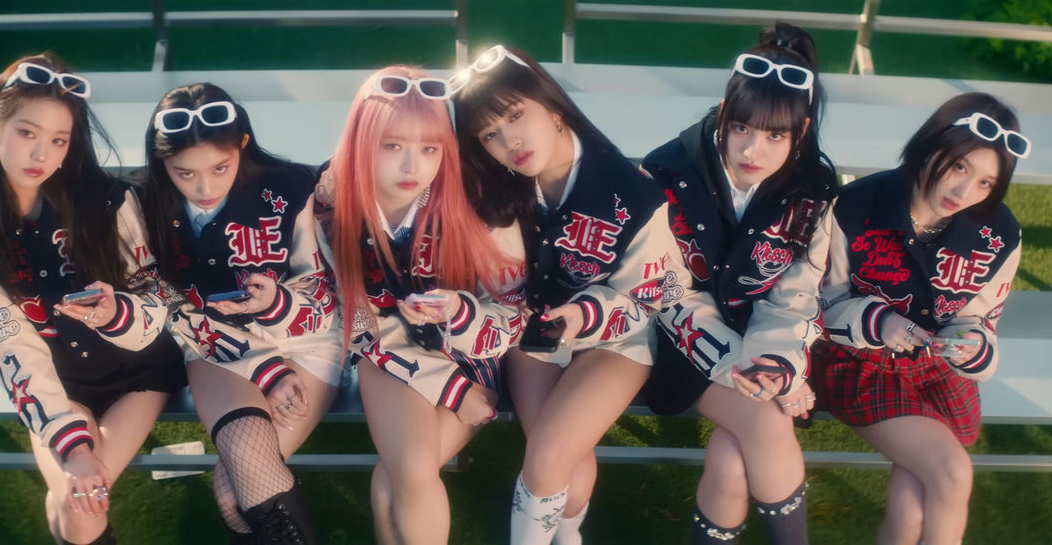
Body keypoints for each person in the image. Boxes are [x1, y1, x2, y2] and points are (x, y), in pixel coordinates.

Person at [0, 53, 186, 544]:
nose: (41, 155)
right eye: (26, 133)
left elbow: (160, 294)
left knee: (77, 508)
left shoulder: (107, 198)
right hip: (57, 382)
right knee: (81, 509)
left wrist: (116, 313)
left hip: (138, 373)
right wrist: (71, 445)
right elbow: (2, 336)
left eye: (59, 140)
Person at [450, 44, 687, 545]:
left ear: (552, 105)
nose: (509, 141)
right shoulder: (494, 190)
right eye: (489, 134)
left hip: (613, 339)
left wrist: (584, 315)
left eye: (516, 115)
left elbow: (650, 295)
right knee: (572, 482)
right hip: (533, 337)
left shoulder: (632, 191)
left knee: (549, 461)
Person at [639, 23, 836, 544]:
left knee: (730, 463)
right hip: (680, 342)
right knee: (766, 426)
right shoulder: (668, 172)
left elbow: (797, 291)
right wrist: (737, 363)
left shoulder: (814, 186)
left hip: (770, 343)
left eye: (775, 136)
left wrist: (775, 364)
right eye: (742, 128)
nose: (753, 150)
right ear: (724, 113)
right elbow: (665, 291)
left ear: (801, 131)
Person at [318, 65, 526, 544]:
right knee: (410, 468)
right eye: (392, 146)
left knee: (393, 479)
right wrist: (448, 389)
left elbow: (515, 314)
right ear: (362, 141)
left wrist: (460, 312)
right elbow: (349, 318)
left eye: (430, 148)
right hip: (385, 355)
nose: (412, 167)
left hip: (471, 354)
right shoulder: (330, 205)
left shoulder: (481, 204)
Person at [809, 92, 1025, 544]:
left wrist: (970, 342)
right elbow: (822, 302)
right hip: (860, 364)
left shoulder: (999, 233)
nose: (964, 192)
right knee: (952, 471)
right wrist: (880, 322)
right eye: (959, 167)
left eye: (985, 182)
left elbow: (981, 314)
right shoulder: (856, 207)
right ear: (931, 146)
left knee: (911, 514)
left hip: (937, 368)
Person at [138, 82, 341, 544]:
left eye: (220, 167)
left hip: (305, 340)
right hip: (214, 344)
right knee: (239, 493)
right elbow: (165, 300)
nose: (205, 188)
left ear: (243, 144)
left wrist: (276, 303)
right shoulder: (143, 206)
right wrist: (266, 369)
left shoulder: (288, 189)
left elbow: (322, 292)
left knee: (233, 494)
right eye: (184, 172)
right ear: (162, 163)